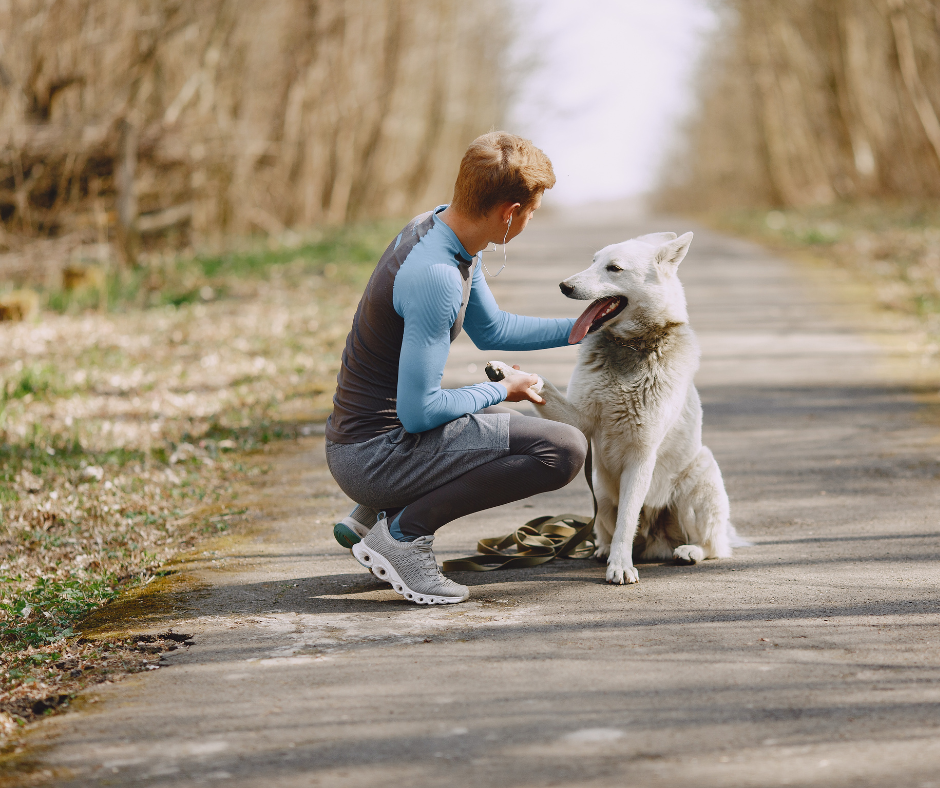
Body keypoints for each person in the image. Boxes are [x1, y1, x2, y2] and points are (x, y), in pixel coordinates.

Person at [324, 131, 587, 604]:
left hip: (362, 439)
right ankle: (402, 536)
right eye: (532, 211)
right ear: (510, 212)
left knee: (505, 426)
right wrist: (501, 389)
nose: (531, 219)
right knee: (561, 448)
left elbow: (494, 330)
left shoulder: (441, 229)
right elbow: (419, 413)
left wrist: (580, 328)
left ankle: (368, 516)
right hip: (372, 454)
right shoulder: (438, 278)